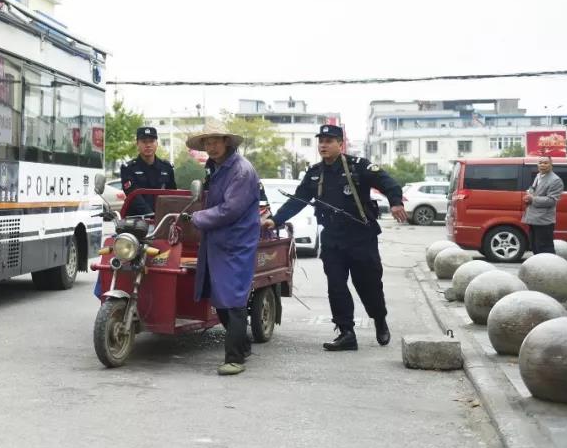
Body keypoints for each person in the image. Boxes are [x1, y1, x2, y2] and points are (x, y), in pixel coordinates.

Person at [264, 124, 406, 352]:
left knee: (368, 286)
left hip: (361, 236)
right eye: (321, 141)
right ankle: (346, 332)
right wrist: (276, 219)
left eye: (329, 141)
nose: (323, 145)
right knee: (336, 286)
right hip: (332, 238)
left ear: (341, 144)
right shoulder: (314, 173)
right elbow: (298, 200)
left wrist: (396, 202)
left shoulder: (359, 167)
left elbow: (388, 182)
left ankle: (379, 319)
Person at [180, 122, 260, 376]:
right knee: (220, 299)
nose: (211, 146)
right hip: (217, 240)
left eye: (215, 140)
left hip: (236, 242)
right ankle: (243, 345)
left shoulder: (241, 171)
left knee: (233, 299)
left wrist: (198, 218)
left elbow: (231, 209)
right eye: (206, 142)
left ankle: (234, 358)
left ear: (227, 141)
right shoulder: (215, 168)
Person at [120, 126, 176, 216]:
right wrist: (150, 214)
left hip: (162, 219)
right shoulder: (128, 168)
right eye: (144, 142)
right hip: (136, 221)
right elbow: (134, 195)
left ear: (157, 143)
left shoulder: (167, 168)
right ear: (137, 144)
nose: (148, 145)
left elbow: (172, 195)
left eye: (151, 141)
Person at [522, 156, 563, 255]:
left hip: (544, 220)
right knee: (535, 246)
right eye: (540, 163)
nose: (542, 165)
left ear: (551, 165)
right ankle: (539, 268)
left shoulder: (555, 180)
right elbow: (533, 189)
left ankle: (550, 269)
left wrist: (533, 199)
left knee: (545, 247)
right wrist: (528, 195)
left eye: (545, 163)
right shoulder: (538, 176)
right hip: (533, 217)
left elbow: (552, 200)